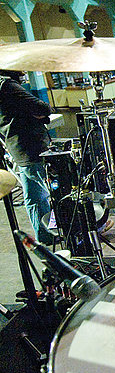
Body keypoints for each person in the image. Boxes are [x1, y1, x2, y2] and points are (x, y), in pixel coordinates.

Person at [0, 71, 54, 245]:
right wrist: (38, 115)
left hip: (18, 148)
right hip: (32, 148)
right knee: (53, 192)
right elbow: (43, 108)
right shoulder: (6, 86)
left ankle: (45, 237)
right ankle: (75, 232)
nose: (23, 71)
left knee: (33, 196)